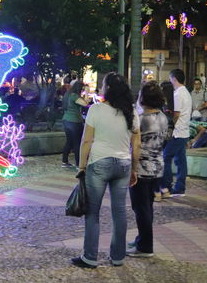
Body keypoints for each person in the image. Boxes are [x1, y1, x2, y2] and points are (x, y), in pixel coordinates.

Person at [71, 72, 140, 269]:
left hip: (99, 163)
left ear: (107, 89)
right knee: (119, 212)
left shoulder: (96, 110)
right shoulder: (132, 112)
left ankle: (90, 257)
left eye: (102, 85)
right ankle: (118, 257)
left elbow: (86, 141)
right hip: (124, 165)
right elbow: (136, 145)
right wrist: (134, 169)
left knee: (93, 212)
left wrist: (82, 167)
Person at [128, 81, 167, 258]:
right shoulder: (163, 117)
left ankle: (145, 246)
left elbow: (135, 146)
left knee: (140, 208)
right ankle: (142, 239)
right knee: (148, 206)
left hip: (142, 168)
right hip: (158, 167)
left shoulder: (141, 119)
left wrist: (132, 170)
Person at [160, 69, 192, 198]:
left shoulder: (178, 94)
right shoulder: (186, 93)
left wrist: (170, 127)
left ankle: (167, 186)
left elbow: (176, 114)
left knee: (166, 158)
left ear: (174, 79)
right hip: (184, 131)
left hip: (177, 132)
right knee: (180, 160)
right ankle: (180, 187)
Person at [61, 82, 89, 168]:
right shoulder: (74, 96)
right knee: (77, 143)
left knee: (69, 141)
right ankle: (78, 164)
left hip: (66, 120)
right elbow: (85, 103)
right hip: (74, 121)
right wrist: (87, 93)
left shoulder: (68, 94)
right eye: (82, 89)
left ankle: (65, 161)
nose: (83, 91)